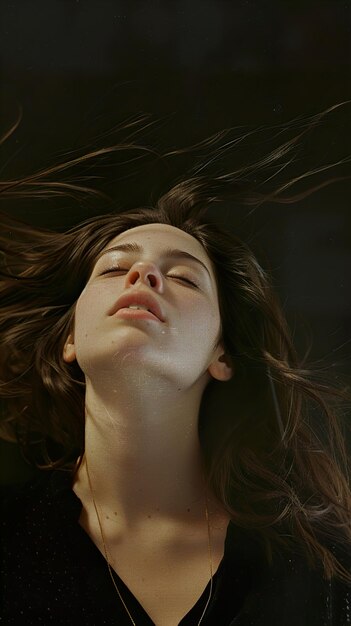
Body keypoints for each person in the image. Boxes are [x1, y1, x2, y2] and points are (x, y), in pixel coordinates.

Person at [0, 106, 351, 625]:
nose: (143, 273)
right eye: (115, 267)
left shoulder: (319, 571)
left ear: (222, 355)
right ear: (69, 338)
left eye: (184, 278)